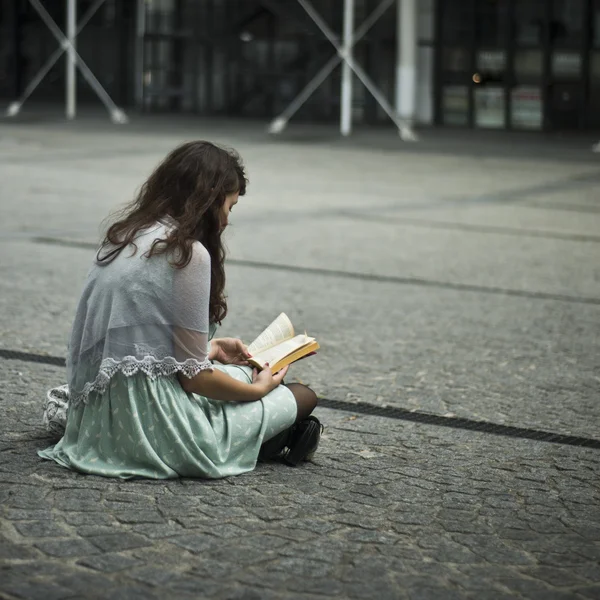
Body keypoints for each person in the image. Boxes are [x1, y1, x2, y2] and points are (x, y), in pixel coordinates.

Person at [39, 141, 321, 479]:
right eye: (229, 206)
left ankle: (272, 437)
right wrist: (258, 390)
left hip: (101, 415)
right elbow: (194, 379)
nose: (228, 219)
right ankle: (269, 438)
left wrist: (211, 349)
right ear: (209, 201)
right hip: (159, 424)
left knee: (244, 373)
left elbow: (138, 344)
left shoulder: (126, 236)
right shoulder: (186, 253)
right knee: (301, 395)